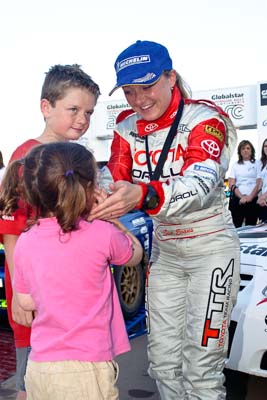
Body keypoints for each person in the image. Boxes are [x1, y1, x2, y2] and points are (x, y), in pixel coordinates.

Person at [90, 40, 241, 399]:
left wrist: (142, 195)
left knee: (202, 366)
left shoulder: (205, 118)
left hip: (212, 252)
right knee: (162, 360)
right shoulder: (126, 127)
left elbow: (202, 183)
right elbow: (115, 177)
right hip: (166, 252)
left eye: (147, 86)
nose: (139, 99)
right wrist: (88, 194)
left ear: (170, 77)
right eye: (129, 90)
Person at [0, 141, 143, 400]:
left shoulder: (26, 242)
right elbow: (135, 256)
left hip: (40, 365)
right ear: (89, 188)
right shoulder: (102, 233)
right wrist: (113, 219)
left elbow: (26, 300)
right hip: (87, 368)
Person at [0, 64, 100, 400]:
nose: (82, 119)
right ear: (47, 107)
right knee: (35, 381)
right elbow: (12, 232)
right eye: (73, 109)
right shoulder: (26, 156)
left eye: (88, 112)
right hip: (35, 300)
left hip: (72, 301)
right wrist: (19, 295)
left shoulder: (83, 159)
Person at [228, 140, 262, 228]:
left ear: (251, 151)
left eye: (248, 148)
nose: (245, 150)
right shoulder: (235, 165)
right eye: (243, 148)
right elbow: (231, 183)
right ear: (240, 151)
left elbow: (259, 183)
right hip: (237, 200)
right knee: (236, 228)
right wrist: (242, 197)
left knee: (251, 228)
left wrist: (249, 197)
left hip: (253, 200)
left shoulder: (258, 163)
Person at [257, 138, 267, 222]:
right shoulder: (263, 164)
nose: (266, 148)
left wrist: (264, 196)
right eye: (265, 146)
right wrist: (260, 196)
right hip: (263, 202)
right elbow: (261, 183)